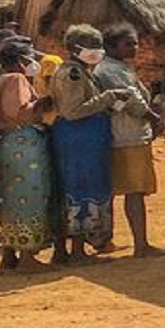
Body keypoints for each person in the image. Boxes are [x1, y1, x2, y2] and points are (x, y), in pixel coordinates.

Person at [48, 24, 124, 259]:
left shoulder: (82, 70)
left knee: (72, 189)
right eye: (90, 46)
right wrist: (108, 98)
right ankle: (78, 250)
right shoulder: (72, 73)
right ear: (72, 48)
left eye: (98, 46)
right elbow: (73, 110)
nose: (96, 51)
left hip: (83, 139)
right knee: (79, 189)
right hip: (79, 140)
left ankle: (66, 251)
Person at [97, 28, 165, 257]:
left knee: (113, 190)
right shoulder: (111, 70)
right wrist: (154, 118)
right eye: (128, 44)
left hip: (121, 134)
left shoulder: (117, 68)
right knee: (135, 191)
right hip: (128, 136)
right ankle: (141, 244)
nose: (134, 48)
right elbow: (133, 100)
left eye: (135, 44)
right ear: (111, 46)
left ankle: (105, 240)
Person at [0, 37, 54, 269]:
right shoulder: (16, 79)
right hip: (23, 143)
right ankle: (27, 257)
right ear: (20, 59)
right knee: (28, 197)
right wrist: (44, 103)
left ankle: (9, 255)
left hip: (10, 143)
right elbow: (20, 112)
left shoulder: (0, 79)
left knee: (12, 198)